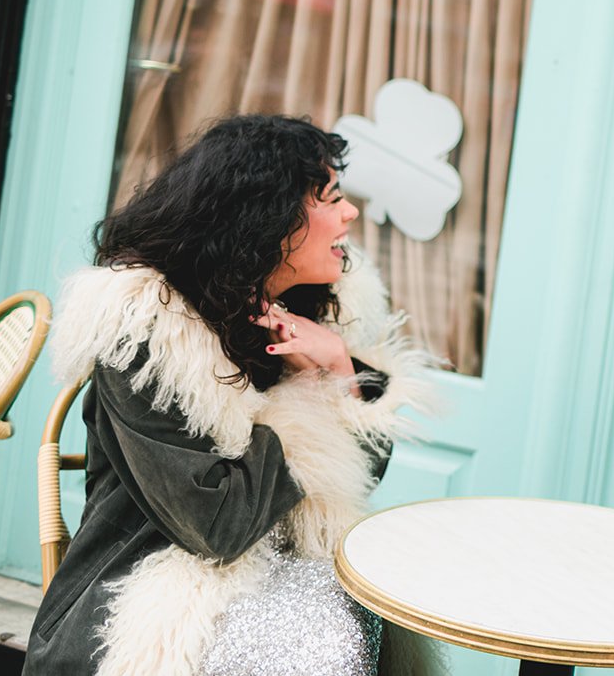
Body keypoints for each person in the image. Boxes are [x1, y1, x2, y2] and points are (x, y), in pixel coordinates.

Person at [23, 115, 438, 676]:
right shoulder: (149, 333)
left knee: (361, 614)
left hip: (290, 564)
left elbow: (362, 470)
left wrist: (339, 368)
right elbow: (217, 526)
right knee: (324, 648)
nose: (350, 213)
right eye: (330, 198)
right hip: (148, 589)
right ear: (267, 217)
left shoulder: (320, 306)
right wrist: (310, 399)